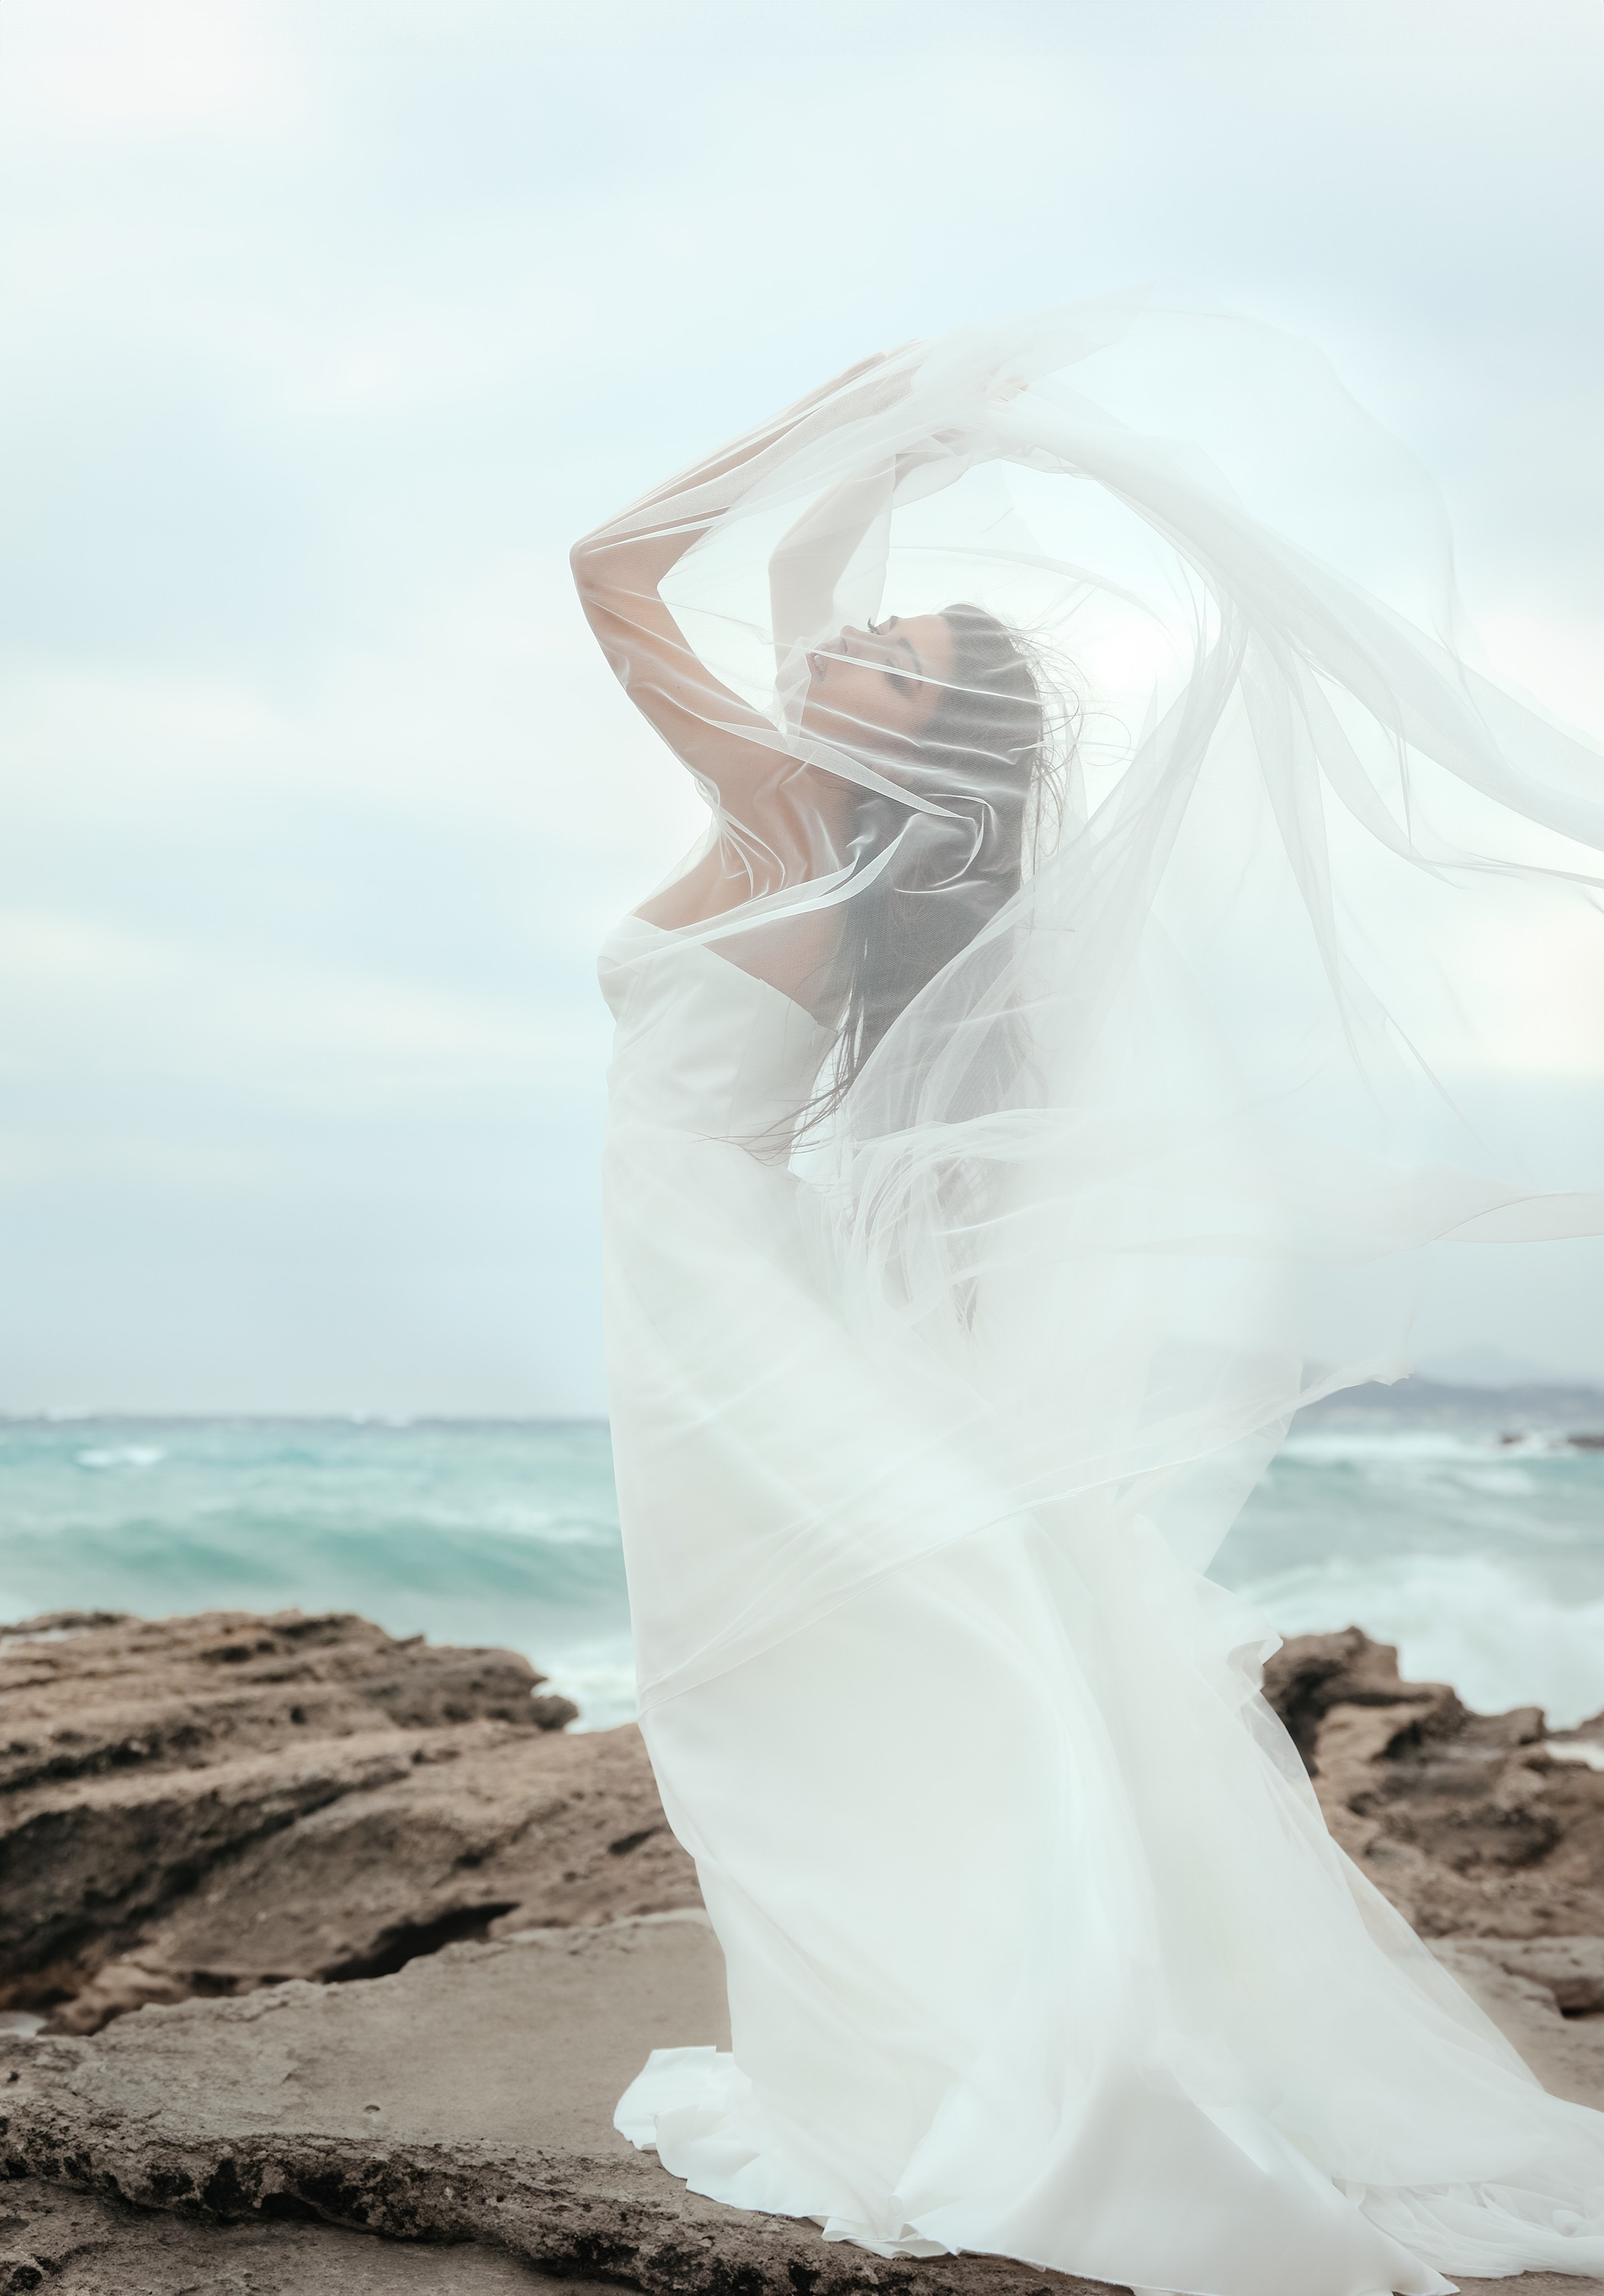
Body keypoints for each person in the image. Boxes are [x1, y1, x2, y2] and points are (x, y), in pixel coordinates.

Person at [570, 296, 1604, 2296]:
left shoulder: (792, 811)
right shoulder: (853, 818)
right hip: (722, 1282)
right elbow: (799, 584)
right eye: (874, 629)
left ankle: (1002, 2043)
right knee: (829, 1652)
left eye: (892, 655)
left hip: (713, 1289)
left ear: (906, 734)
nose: (848, 644)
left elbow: (605, 572)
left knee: (804, 1660)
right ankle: (946, 2013)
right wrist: (885, 463)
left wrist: (813, 416)